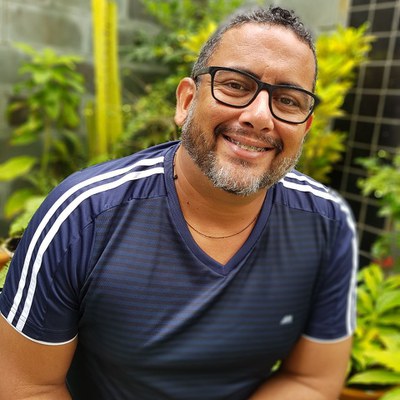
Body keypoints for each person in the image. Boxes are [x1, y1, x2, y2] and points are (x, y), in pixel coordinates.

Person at [0, 6, 357, 400]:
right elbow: (26, 387)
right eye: (235, 85)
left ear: (305, 127)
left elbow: (312, 379)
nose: (259, 116)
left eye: (288, 100)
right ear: (187, 101)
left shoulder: (325, 224)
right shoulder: (84, 216)